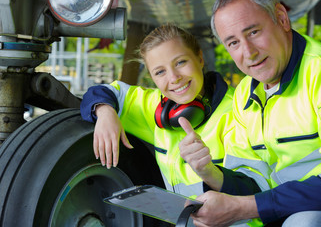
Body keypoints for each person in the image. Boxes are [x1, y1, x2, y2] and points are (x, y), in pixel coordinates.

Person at [178, 0, 321, 226]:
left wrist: (243, 207)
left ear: (282, 19)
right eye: (233, 43)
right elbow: (255, 181)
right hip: (288, 209)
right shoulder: (244, 93)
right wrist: (209, 172)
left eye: (253, 32)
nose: (249, 53)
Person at [80, 23, 236, 199]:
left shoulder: (238, 111)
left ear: (200, 58)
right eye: (160, 72)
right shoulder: (154, 106)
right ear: (152, 77)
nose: (174, 78)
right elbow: (102, 92)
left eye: (180, 62)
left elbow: (253, 189)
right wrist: (105, 112)